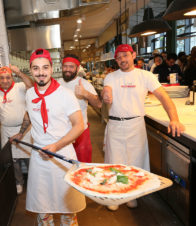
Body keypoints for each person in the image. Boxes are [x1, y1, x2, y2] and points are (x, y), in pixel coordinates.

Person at [102, 44, 185, 211]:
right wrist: (106, 94)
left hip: (135, 124)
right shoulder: (111, 77)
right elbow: (107, 89)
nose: (122, 60)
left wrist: (174, 119)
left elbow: (163, 96)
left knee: (135, 161)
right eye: (118, 57)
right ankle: (115, 195)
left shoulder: (145, 75)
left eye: (125, 55)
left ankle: (131, 194)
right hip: (115, 125)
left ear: (133, 55)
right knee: (114, 160)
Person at [11, 48, 86, 226]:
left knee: (67, 205)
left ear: (52, 69)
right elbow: (29, 114)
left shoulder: (66, 95)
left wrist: (56, 146)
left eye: (45, 67)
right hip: (39, 156)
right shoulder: (29, 94)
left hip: (63, 155)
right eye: (36, 68)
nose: (41, 72)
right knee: (42, 205)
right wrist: (21, 133)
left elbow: (79, 125)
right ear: (31, 70)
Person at [0, 66, 34, 195]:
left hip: (25, 130)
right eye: (2, 78)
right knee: (13, 160)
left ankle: (34, 182)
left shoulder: (20, 87)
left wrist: (19, 72)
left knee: (30, 158)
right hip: (7, 131)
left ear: (12, 77)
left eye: (8, 77)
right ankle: (18, 182)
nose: (5, 80)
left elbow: (31, 85)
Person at [58, 54, 102, 163]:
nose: (67, 69)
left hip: (80, 132)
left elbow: (98, 104)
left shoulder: (84, 84)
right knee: (64, 164)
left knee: (83, 163)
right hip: (62, 131)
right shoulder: (57, 83)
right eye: (65, 66)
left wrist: (85, 94)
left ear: (77, 69)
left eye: (71, 67)